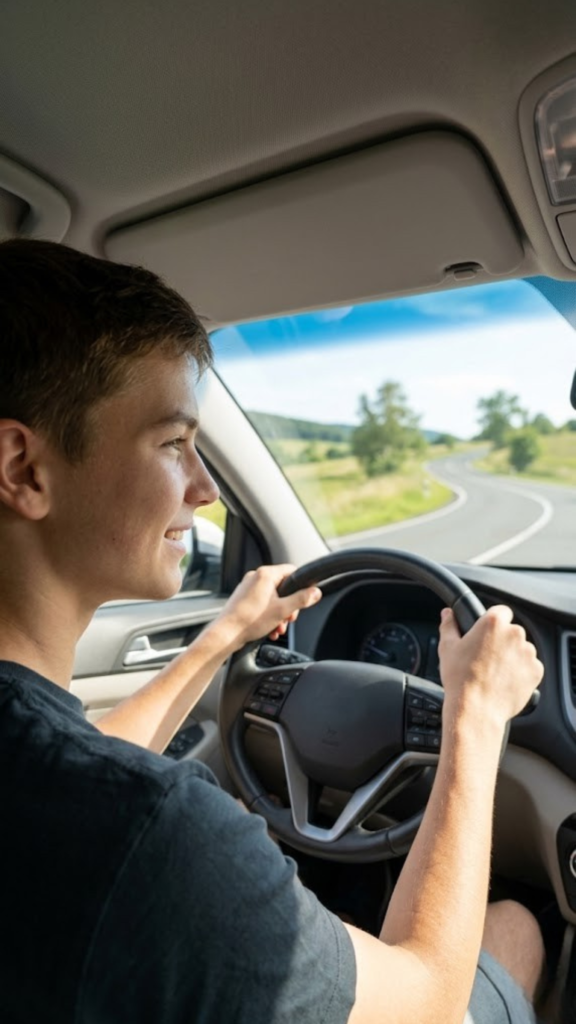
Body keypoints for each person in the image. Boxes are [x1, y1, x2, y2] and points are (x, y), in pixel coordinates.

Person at [0, 237, 545, 1024]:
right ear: (22, 468)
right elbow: (424, 997)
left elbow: (90, 767)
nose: (207, 489)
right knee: (516, 928)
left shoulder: (66, 791)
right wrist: (476, 715)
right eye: (173, 444)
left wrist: (223, 638)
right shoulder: (159, 839)